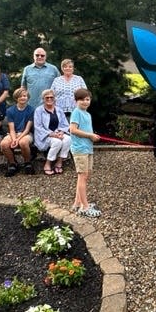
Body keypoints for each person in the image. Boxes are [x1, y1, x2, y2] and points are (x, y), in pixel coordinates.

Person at [69, 88, 102, 217]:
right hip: (80, 149)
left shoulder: (87, 114)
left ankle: (77, 203)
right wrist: (90, 135)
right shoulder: (76, 112)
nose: (85, 102)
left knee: (85, 176)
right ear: (76, 101)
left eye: (87, 99)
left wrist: (92, 136)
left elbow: (87, 131)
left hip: (88, 148)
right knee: (82, 176)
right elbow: (72, 129)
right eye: (81, 99)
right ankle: (85, 207)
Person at [34, 89, 71, 176]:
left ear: (54, 99)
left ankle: (59, 162)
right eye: (47, 97)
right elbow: (38, 127)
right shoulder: (39, 110)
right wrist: (52, 134)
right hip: (45, 135)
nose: (49, 99)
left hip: (58, 133)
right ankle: (48, 163)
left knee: (68, 139)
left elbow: (65, 123)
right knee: (57, 142)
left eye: (51, 97)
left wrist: (61, 132)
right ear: (43, 99)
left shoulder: (59, 110)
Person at [0, 88, 35, 177]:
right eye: (20, 96)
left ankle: (27, 163)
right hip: (13, 133)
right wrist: (14, 139)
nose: (23, 98)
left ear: (27, 97)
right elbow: (11, 129)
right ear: (16, 98)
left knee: (23, 142)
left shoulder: (31, 110)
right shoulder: (10, 110)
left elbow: (27, 129)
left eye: (24, 96)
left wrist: (18, 139)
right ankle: (13, 163)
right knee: (4, 144)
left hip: (26, 133)